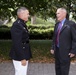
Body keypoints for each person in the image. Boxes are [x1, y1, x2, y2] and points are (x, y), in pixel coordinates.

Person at [50, 8, 76, 75]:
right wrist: (52, 47)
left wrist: (73, 51)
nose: (56, 15)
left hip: (66, 52)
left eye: (58, 13)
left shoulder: (71, 24)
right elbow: (54, 37)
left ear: (64, 14)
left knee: (64, 70)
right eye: (56, 13)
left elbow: (74, 39)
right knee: (57, 68)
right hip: (57, 51)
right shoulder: (57, 25)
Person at [9, 7, 32, 75]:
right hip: (20, 55)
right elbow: (17, 43)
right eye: (27, 14)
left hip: (24, 52)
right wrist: (22, 57)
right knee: (21, 73)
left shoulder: (21, 24)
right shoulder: (17, 25)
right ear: (22, 14)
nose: (28, 15)